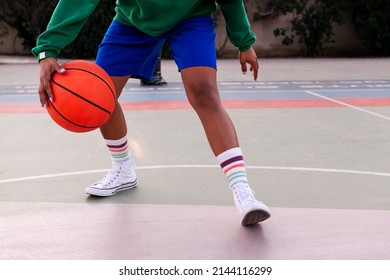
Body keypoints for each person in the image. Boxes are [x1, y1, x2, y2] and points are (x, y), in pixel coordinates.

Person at [32, 0, 271, 226]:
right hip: (134, 21)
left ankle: (242, 191)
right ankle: (123, 169)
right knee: (100, 93)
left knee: (204, 92)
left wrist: (244, 42)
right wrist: (48, 49)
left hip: (191, 15)